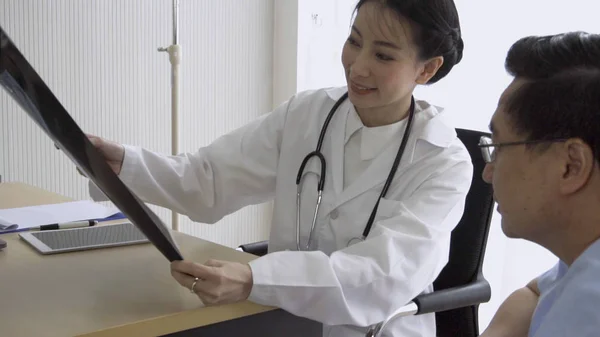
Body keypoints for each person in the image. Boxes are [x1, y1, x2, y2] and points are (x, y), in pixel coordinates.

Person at [87, 0, 470, 336]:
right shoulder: (307, 114)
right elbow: (208, 180)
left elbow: (382, 274)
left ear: (426, 69)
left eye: (383, 56)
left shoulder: (443, 163)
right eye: (354, 41)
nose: (358, 66)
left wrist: (257, 278)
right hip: (281, 320)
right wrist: (122, 164)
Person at [479, 31, 600, 337]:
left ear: (570, 166)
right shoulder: (582, 259)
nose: (488, 172)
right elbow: (535, 292)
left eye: (499, 147)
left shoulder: (588, 311)